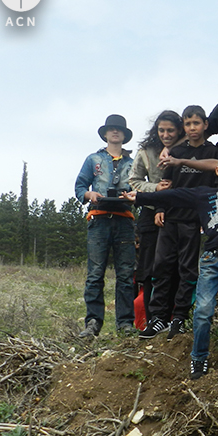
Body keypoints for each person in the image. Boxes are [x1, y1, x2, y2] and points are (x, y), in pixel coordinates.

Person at [123, 152, 218, 382]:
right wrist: (139, 198)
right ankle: (198, 358)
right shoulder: (203, 194)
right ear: (217, 171)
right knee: (202, 312)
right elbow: (173, 196)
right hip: (212, 261)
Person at [140, 106, 218, 340]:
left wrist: (208, 217)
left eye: (196, 123)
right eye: (187, 124)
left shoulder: (213, 150)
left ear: (205, 124)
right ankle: (157, 318)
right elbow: (166, 184)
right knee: (161, 267)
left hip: (193, 221)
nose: (192, 128)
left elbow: (215, 185)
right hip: (170, 218)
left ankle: (180, 317)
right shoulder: (175, 151)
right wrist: (160, 208)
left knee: (187, 270)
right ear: (183, 127)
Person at [74, 114, 136, 337]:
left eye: (119, 130)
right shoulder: (93, 160)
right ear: (105, 133)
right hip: (99, 219)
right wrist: (90, 194)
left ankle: (126, 323)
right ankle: (92, 323)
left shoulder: (133, 162)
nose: (115, 132)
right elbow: (80, 186)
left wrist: (133, 194)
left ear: (124, 135)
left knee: (126, 274)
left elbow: (139, 186)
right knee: (95, 273)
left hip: (125, 220)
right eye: (111, 129)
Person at [129, 111, 183, 324]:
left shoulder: (185, 148)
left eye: (170, 130)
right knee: (150, 267)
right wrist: (155, 187)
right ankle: (152, 319)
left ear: (179, 129)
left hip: (178, 211)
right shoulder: (146, 150)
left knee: (176, 265)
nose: (166, 134)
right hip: (151, 211)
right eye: (162, 130)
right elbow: (133, 179)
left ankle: (173, 318)